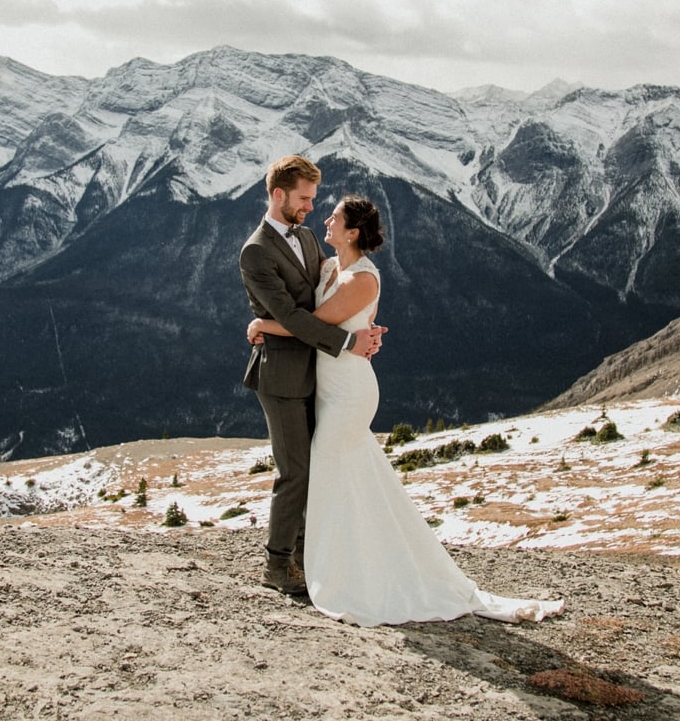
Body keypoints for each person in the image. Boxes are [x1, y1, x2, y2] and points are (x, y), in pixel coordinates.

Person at [247, 194, 564, 626]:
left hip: (349, 392)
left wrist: (262, 324)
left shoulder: (362, 279)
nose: (326, 219)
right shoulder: (328, 266)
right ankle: (348, 559)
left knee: (325, 466)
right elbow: (313, 316)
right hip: (328, 386)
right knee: (347, 474)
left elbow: (313, 325)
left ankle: (344, 569)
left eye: (335, 217)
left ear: (353, 231)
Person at [239, 156, 384, 596]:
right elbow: (292, 316)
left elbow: (336, 292)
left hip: (321, 378)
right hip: (281, 376)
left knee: (316, 470)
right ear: (278, 194)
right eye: (304, 199)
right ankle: (277, 567)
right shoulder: (256, 251)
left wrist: (364, 327)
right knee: (295, 472)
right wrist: (347, 343)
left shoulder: (304, 236)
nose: (309, 208)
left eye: (315, 200)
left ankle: (309, 557)